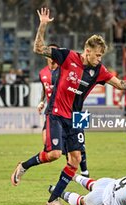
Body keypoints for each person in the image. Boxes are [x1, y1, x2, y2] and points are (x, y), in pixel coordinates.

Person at [11, 7, 126, 205]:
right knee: (54, 154)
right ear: (87, 50)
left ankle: (53, 199)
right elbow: (39, 48)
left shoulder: (99, 70)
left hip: (75, 117)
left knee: (76, 158)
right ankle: (23, 166)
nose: (100, 58)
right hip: (56, 112)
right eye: (98, 55)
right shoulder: (67, 56)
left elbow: (120, 84)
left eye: (101, 55)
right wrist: (43, 25)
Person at [36, 43, 90, 177]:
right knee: (47, 143)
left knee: (80, 144)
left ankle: (85, 172)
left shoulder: (66, 68)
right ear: (46, 55)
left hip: (76, 110)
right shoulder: (42, 73)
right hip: (54, 111)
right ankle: (72, 166)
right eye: (51, 51)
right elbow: (45, 88)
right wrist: (41, 101)